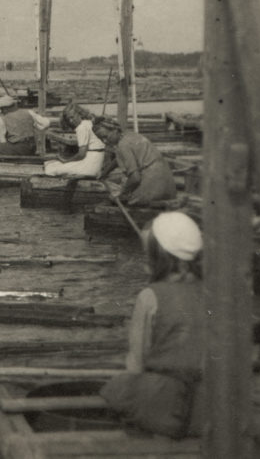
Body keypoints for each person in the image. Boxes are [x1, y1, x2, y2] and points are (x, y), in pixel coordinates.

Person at [100, 212, 206, 439]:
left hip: (164, 405)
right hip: (208, 408)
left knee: (115, 389)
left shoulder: (150, 296)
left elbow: (136, 363)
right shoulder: (214, 292)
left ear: (157, 255)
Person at [94, 118, 177, 205]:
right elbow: (120, 158)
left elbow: (135, 178)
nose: (105, 141)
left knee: (117, 199)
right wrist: (105, 172)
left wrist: (121, 192)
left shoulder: (123, 145)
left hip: (153, 185)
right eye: (101, 139)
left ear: (115, 130)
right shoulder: (129, 135)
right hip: (168, 183)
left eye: (105, 137)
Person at [43, 102, 105, 178]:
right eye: (69, 119)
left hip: (90, 165)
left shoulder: (81, 128)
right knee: (55, 164)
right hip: (98, 161)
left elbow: (82, 154)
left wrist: (66, 161)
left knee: (51, 168)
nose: (71, 121)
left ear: (79, 114)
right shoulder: (88, 123)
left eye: (72, 117)